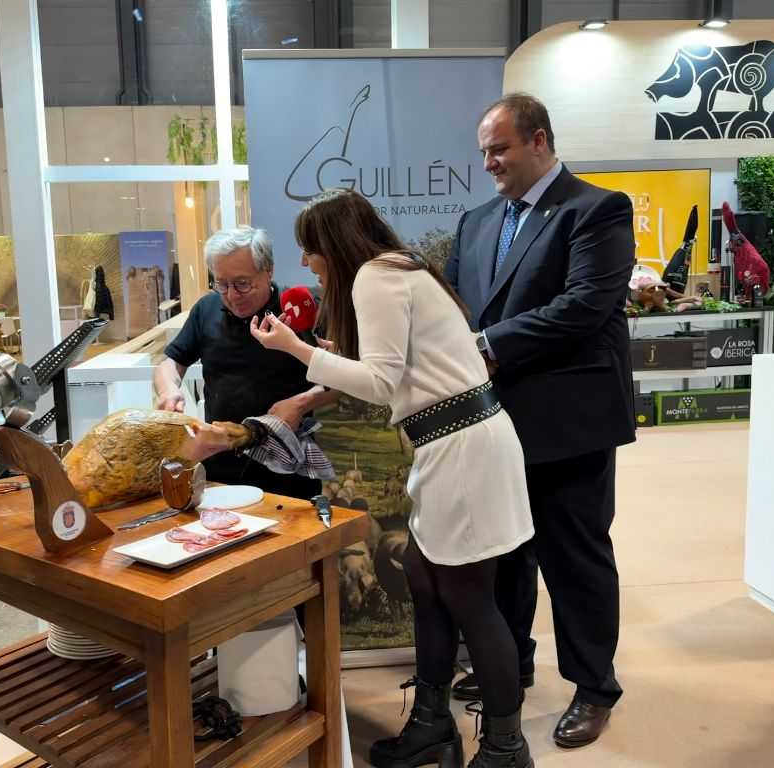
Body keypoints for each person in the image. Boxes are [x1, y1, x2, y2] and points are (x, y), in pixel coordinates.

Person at [250, 188, 535, 768]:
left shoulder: (374, 278)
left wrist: (297, 350)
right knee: (426, 583)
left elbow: (379, 384)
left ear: (334, 242)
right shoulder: (399, 268)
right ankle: (432, 726)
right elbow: (399, 362)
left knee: (470, 600)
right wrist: (317, 348)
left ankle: (506, 750)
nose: (305, 261)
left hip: (461, 450)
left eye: (309, 247)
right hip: (458, 442)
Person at [444, 92, 636, 748]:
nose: (489, 163)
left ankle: (595, 688)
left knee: (574, 558)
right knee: (505, 555)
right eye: (483, 153)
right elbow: (455, 307)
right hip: (493, 423)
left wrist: (487, 345)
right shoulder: (476, 222)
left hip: (569, 422)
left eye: (499, 149)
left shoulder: (596, 209)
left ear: (539, 140)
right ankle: (511, 662)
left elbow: (585, 305)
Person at [153, 225, 342, 499]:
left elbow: (342, 378)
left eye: (242, 284)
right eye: (221, 284)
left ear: (268, 271)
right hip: (218, 466)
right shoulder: (206, 309)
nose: (231, 295)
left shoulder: (301, 310)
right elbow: (171, 363)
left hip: (287, 469)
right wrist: (168, 390)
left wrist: (302, 403)